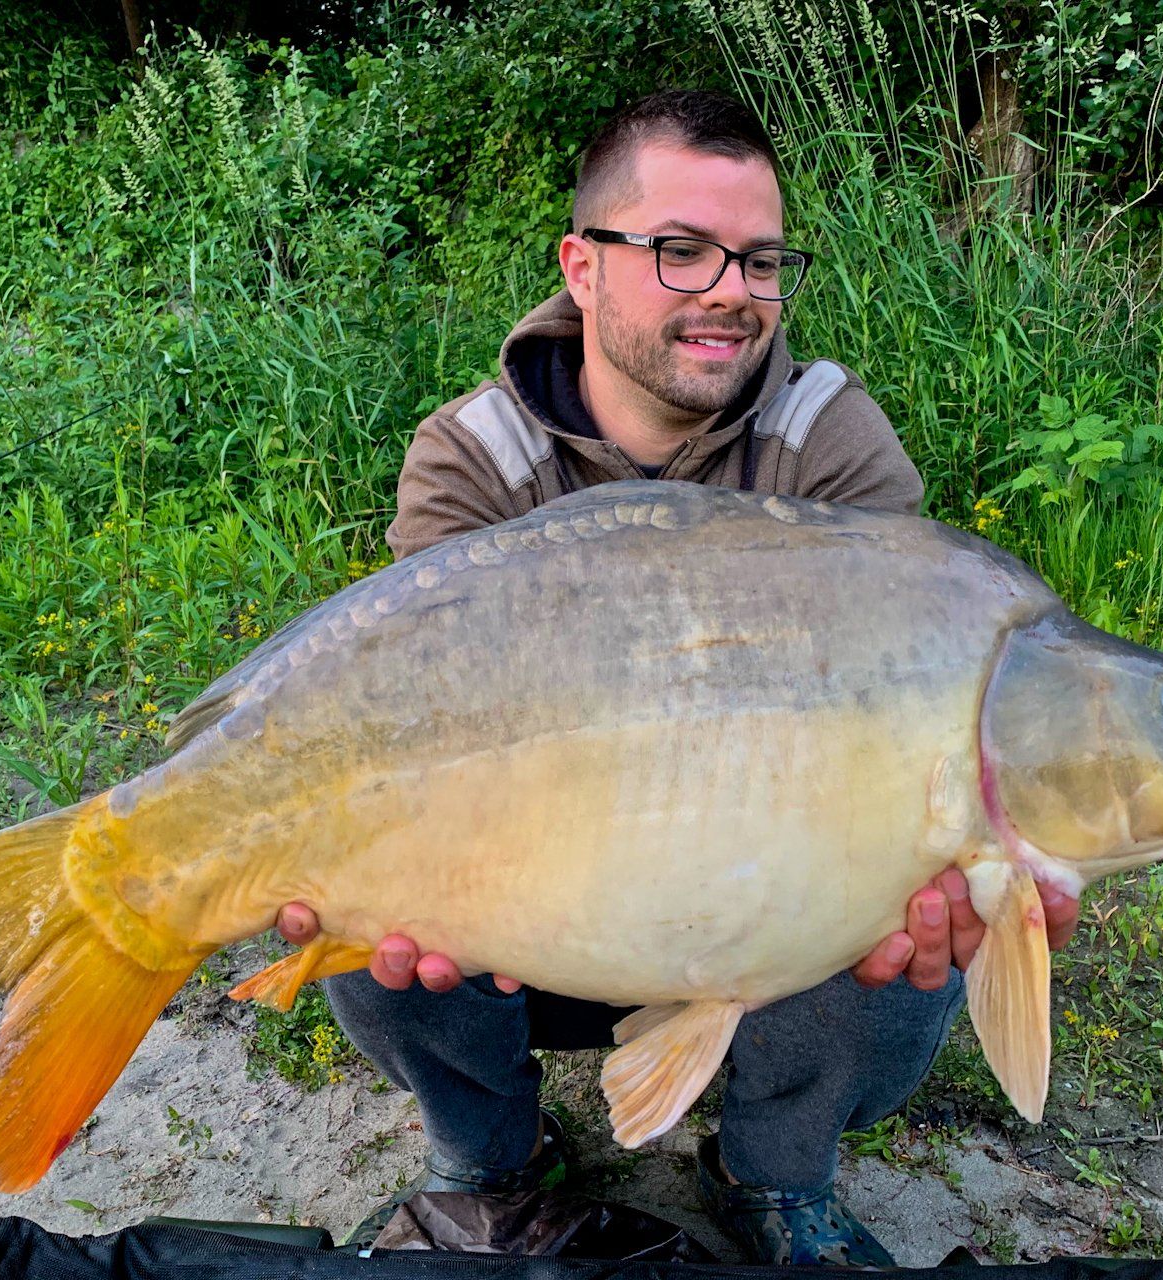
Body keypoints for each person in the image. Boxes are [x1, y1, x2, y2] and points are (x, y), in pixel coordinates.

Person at [274, 89, 1079, 1266]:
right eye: (681, 251)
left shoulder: (830, 444)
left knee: (924, 888)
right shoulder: (472, 456)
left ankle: (774, 1173)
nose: (729, 291)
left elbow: (903, 702)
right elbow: (419, 718)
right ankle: (491, 1163)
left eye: (757, 261)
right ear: (581, 266)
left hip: (757, 893)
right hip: (535, 902)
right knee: (358, 895)